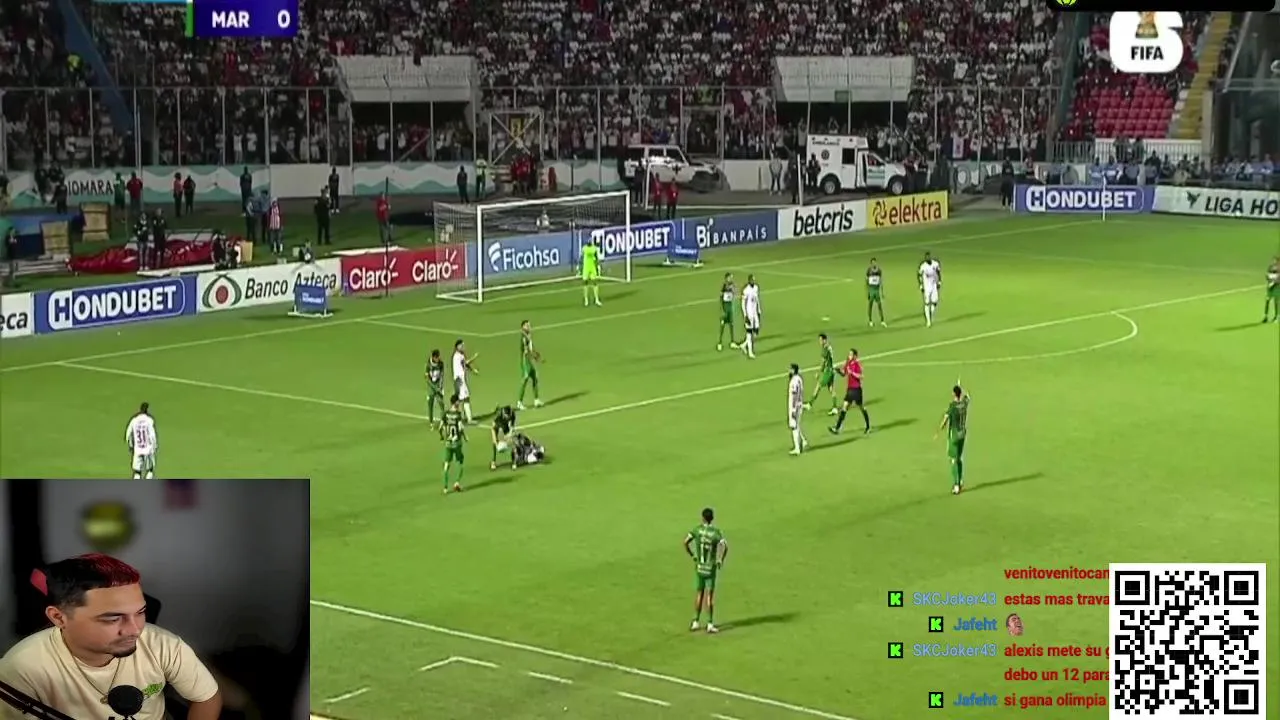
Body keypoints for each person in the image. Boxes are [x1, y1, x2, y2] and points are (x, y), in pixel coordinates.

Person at [0, 553, 222, 720]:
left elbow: (206, 698)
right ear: (59, 617)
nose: (135, 629)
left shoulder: (163, 645)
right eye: (113, 618)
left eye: (140, 612)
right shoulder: (21, 668)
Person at [683, 507, 727, 634]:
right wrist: (720, 560)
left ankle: (695, 621)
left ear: (702, 518)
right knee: (709, 596)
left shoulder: (697, 530)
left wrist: (693, 555)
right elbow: (725, 546)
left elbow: (685, 542)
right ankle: (709, 623)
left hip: (699, 567)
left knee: (699, 594)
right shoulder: (715, 532)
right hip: (710, 568)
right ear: (712, 518)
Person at [935, 384, 971, 495]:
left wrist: (938, 430)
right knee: (959, 458)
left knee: (953, 460)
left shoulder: (953, 406)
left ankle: (956, 485)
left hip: (954, 436)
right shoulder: (964, 403)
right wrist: (962, 390)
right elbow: (968, 396)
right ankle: (960, 481)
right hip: (962, 434)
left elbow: (945, 419)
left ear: (953, 394)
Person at [829, 349, 872, 435]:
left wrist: (852, 373)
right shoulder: (847, 363)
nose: (849, 356)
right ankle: (837, 428)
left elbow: (861, 376)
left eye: (851, 354)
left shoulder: (857, 365)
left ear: (855, 356)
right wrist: (837, 370)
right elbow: (844, 374)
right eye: (849, 354)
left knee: (861, 407)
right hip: (850, 389)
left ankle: (868, 426)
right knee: (844, 407)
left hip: (856, 390)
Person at [806, 333, 839, 415]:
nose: (820, 342)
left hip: (827, 371)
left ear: (825, 340)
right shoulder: (829, 347)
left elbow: (823, 362)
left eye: (821, 340)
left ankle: (810, 404)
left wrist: (819, 372)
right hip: (831, 370)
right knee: (831, 389)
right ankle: (835, 408)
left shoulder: (825, 349)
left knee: (818, 386)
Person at [440, 394, 466, 494]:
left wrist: (442, 436)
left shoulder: (446, 413)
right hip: (457, 443)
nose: (459, 403)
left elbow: (440, 427)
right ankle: (457, 483)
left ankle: (445, 488)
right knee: (460, 461)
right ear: (455, 402)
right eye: (458, 401)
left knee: (446, 464)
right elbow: (460, 428)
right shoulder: (458, 415)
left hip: (448, 443)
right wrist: (464, 437)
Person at [125, 402, 157, 480]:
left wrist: (131, 445)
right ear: (147, 410)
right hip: (148, 450)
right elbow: (152, 435)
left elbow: (128, 435)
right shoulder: (149, 420)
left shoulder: (134, 420)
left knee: (137, 472)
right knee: (150, 470)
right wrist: (154, 446)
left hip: (137, 450)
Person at [517, 320, 544, 409]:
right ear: (523, 327)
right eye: (527, 325)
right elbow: (526, 352)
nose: (529, 326)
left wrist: (537, 356)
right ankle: (519, 402)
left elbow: (531, 349)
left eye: (529, 325)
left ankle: (536, 400)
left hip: (529, 361)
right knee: (525, 380)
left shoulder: (528, 336)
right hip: (525, 361)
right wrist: (536, 358)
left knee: (535, 378)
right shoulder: (524, 338)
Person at [451, 339, 478, 424]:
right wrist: (474, 357)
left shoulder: (460, 355)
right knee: (464, 398)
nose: (463, 347)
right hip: (460, 380)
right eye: (461, 345)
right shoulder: (457, 356)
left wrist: (473, 370)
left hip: (460, 380)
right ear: (457, 347)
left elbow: (465, 365)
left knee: (460, 399)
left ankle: (454, 416)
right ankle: (468, 419)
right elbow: (466, 363)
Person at [787, 363, 807, 455]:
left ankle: (797, 448)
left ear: (793, 370)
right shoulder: (799, 379)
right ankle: (803, 441)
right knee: (796, 426)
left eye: (790, 369)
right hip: (799, 404)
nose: (789, 371)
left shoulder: (794, 381)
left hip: (795, 406)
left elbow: (794, 395)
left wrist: (794, 409)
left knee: (794, 427)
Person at [918, 251, 942, 327]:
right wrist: (921, 285)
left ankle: (930, 312)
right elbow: (919, 275)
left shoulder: (935, 264)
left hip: (934, 285)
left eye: (928, 257)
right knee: (927, 303)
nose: (927, 258)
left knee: (935, 301)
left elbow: (938, 272)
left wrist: (939, 282)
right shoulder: (923, 266)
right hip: (927, 287)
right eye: (926, 257)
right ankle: (928, 321)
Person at [716, 272, 739, 351]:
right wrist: (722, 309)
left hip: (730, 306)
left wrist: (734, 289)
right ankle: (719, 343)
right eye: (729, 277)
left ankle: (732, 342)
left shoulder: (732, 285)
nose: (731, 279)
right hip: (725, 306)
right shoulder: (724, 286)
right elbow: (721, 297)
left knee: (731, 324)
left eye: (731, 278)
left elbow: (735, 293)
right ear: (726, 278)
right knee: (722, 325)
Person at [740, 274, 761, 359]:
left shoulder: (756, 287)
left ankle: (743, 345)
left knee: (756, 332)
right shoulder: (746, 290)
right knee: (749, 333)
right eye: (752, 280)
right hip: (749, 314)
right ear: (749, 280)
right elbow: (743, 303)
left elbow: (757, 299)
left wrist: (759, 310)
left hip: (755, 313)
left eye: (754, 280)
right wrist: (745, 315)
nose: (753, 281)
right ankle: (750, 352)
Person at [490, 405, 517, 470]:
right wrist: (495, 441)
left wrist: (510, 434)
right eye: (507, 416)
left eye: (509, 416)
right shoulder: (499, 417)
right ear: (504, 414)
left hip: (505, 425)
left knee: (512, 442)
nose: (508, 417)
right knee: (494, 443)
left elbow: (512, 426)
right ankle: (493, 462)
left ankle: (514, 462)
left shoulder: (512, 414)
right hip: (497, 426)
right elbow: (493, 429)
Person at [425, 349, 446, 424]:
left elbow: (442, 376)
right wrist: (434, 388)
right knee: (430, 404)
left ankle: (443, 421)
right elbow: (427, 379)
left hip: (438, 385)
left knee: (441, 403)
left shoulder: (441, 364)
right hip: (431, 387)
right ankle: (431, 422)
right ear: (434, 357)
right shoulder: (428, 365)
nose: (439, 358)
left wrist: (440, 386)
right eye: (437, 357)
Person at [580, 239, 602, 307]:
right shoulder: (584, 248)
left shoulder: (594, 249)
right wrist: (579, 266)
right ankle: (586, 299)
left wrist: (598, 266)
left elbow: (596, 257)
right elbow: (581, 257)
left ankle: (596, 299)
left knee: (595, 282)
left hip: (592, 267)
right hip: (586, 267)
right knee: (585, 282)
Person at [866, 257, 887, 327]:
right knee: (870, 305)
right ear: (871, 263)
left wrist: (882, 292)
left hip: (877, 289)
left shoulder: (879, 271)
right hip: (871, 289)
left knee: (879, 305)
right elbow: (866, 281)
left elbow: (881, 281)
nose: (874, 264)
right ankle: (870, 320)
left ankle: (882, 321)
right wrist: (868, 291)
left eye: (875, 262)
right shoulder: (869, 270)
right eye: (872, 262)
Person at [1264, 256, 1278, 323]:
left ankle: (1276, 317)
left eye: (1275, 261)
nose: (1274, 262)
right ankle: (1265, 316)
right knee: (1267, 300)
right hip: (1270, 287)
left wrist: (1273, 283)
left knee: (1276, 302)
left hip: (1276, 287)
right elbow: (1267, 275)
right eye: (1273, 260)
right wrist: (1269, 281)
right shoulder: (1270, 267)